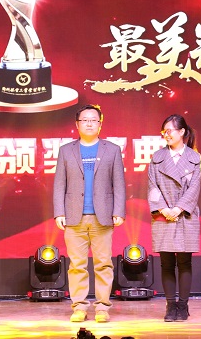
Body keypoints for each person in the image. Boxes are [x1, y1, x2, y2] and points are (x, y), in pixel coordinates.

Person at [53, 104, 126, 323]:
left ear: (100, 124)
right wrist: (59, 212)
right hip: (74, 215)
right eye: (84, 120)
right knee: (77, 265)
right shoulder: (66, 150)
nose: (89, 123)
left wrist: (118, 211)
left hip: (102, 216)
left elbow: (119, 183)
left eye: (93, 120)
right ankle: (79, 307)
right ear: (77, 124)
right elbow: (59, 184)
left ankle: (102, 307)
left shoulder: (112, 149)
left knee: (103, 264)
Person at [147, 114, 201, 322]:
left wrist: (179, 208)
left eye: (170, 130)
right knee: (167, 263)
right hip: (163, 215)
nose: (166, 135)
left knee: (185, 262)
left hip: (185, 214)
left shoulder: (194, 158)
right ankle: (170, 305)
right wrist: (163, 209)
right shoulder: (157, 157)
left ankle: (183, 305)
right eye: (164, 131)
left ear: (182, 132)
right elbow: (152, 186)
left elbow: (194, 188)